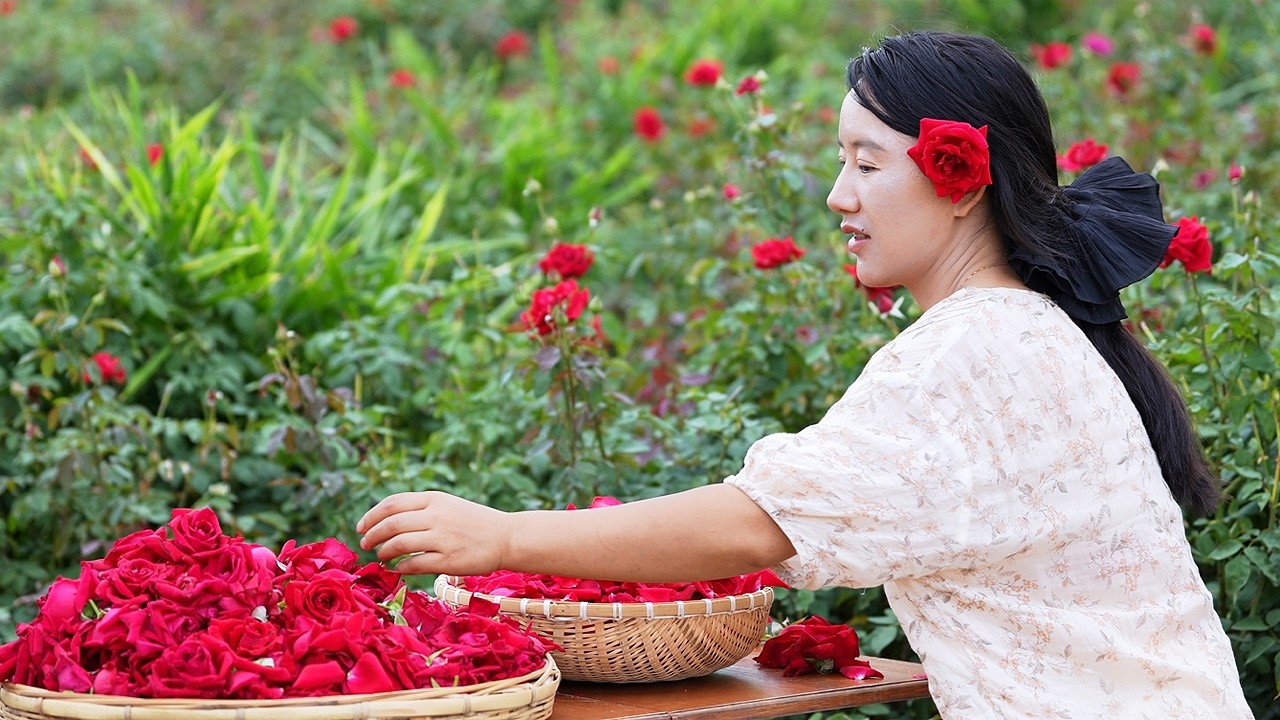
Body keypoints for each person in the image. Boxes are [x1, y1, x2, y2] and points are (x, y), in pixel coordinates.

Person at [358, 31, 1253, 719]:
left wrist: (505, 539)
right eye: (840, 161)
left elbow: (759, 525)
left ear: (962, 177)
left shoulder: (979, 349)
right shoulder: (1026, 328)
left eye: (868, 163)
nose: (838, 194)